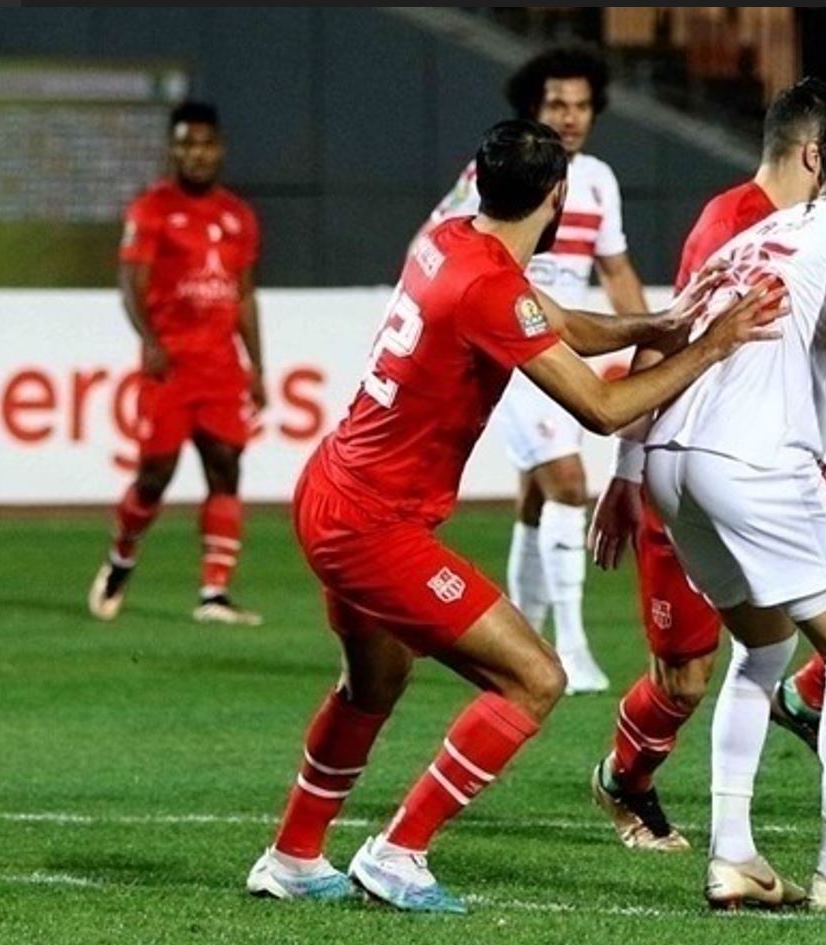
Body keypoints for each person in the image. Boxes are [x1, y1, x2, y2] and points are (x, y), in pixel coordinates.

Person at [245, 119, 783, 913]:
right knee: (533, 678)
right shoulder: (487, 286)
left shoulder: (450, 241)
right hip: (371, 524)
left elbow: (556, 323)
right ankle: (398, 852)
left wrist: (657, 326)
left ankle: (292, 855)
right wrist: (713, 346)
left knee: (373, 682)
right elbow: (602, 407)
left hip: (332, 489)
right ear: (559, 195)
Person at [585, 79, 826, 854]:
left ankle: (736, 852)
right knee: (721, 670)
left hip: (706, 455)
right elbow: (680, 334)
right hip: (744, 456)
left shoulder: (775, 229)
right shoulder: (754, 221)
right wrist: (624, 470)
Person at [424, 47, 646, 694]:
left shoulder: (598, 180)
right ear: (533, 106)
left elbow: (616, 270)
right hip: (511, 338)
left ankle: (522, 630)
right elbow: (442, 241)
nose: (570, 117)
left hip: (560, 341)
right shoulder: (497, 173)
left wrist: (649, 339)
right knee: (569, 483)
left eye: (581, 105)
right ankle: (570, 647)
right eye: (557, 104)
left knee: (536, 495)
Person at [89, 102, 265, 627]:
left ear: (220, 149)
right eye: (187, 143)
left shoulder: (238, 216)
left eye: (206, 143)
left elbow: (244, 295)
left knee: (225, 467)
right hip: (171, 366)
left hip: (221, 368)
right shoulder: (152, 210)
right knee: (155, 476)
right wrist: (151, 340)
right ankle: (122, 557)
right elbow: (131, 285)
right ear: (173, 149)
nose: (197, 154)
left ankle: (214, 593)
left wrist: (257, 366)